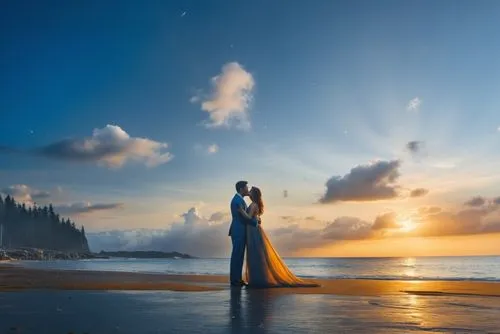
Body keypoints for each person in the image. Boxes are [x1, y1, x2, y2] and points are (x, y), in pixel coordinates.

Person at [241, 186, 319, 288]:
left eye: (250, 191)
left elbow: (248, 217)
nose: (248, 192)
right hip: (253, 231)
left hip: (254, 232)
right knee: (256, 254)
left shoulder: (254, 205)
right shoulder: (253, 204)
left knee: (256, 254)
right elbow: (255, 218)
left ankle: (259, 279)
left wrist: (240, 211)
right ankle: (258, 278)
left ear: (254, 194)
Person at [228, 181, 259, 287]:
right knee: (237, 255)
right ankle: (235, 280)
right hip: (238, 230)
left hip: (239, 230)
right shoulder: (237, 201)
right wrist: (256, 222)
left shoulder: (239, 199)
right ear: (241, 189)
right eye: (246, 187)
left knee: (239, 255)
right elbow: (244, 218)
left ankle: (237, 279)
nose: (247, 189)